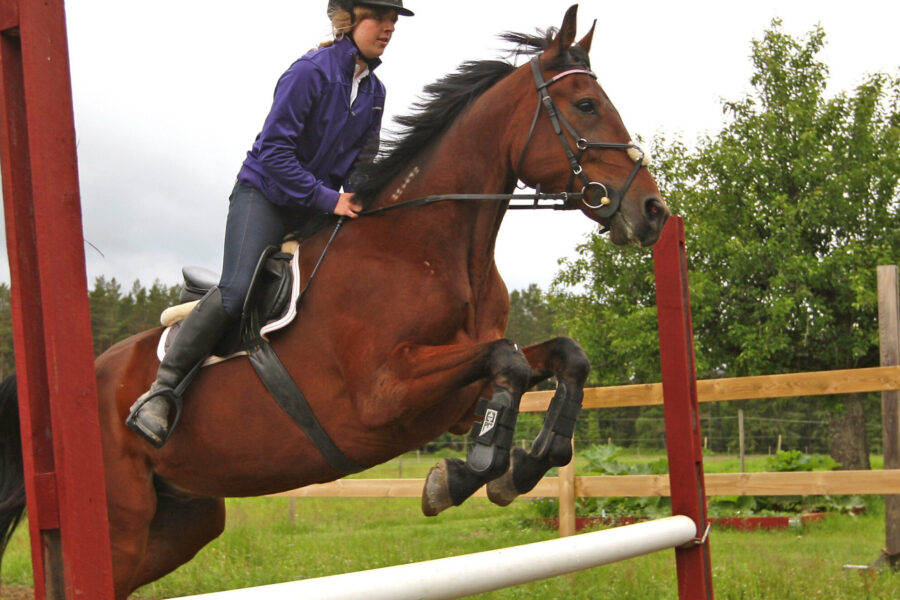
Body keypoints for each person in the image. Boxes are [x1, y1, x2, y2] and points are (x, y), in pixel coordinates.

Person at [126, 0, 414, 448]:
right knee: (238, 291)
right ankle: (161, 391)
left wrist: (361, 196)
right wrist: (330, 200)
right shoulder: (310, 73)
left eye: (394, 20)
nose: (390, 28)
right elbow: (276, 156)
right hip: (264, 195)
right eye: (381, 17)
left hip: (317, 207)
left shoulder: (375, 92)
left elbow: (364, 160)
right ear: (350, 19)